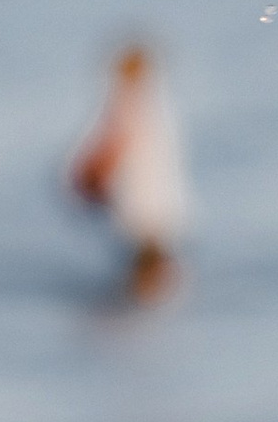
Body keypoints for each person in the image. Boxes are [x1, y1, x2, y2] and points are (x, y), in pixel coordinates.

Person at [68, 41, 190, 304]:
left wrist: (86, 188)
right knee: (157, 292)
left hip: (142, 223)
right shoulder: (159, 108)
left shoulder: (127, 110)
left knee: (140, 296)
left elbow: (97, 168)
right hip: (165, 219)